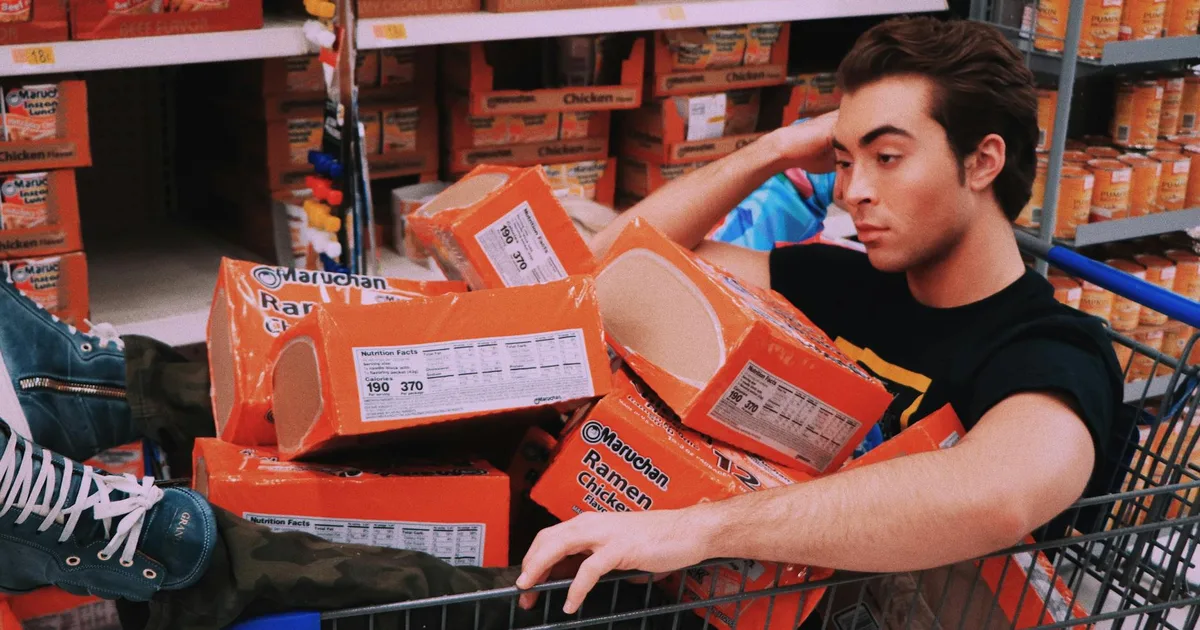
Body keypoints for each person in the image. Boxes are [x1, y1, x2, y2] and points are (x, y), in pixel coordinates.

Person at [0, 16, 1128, 630]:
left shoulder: (1046, 353)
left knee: (520, 577)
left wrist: (698, 532)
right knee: (502, 345)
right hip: (656, 524)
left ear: (986, 162)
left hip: (729, 595)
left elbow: (999, 490)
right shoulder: (841, 282)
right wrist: (775, 147)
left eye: (886, 158)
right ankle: (83, 383)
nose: (852, 191)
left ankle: (169, 549)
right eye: (843, 160)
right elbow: (614, 276)